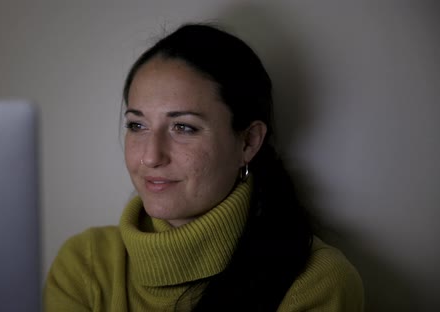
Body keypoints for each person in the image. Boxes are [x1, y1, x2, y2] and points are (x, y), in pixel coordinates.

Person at [45, 23, 364, 311]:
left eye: (183, 128)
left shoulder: (315, 283)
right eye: (137, 126)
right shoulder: (84, 265)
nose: (151, 157)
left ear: (248, 142)